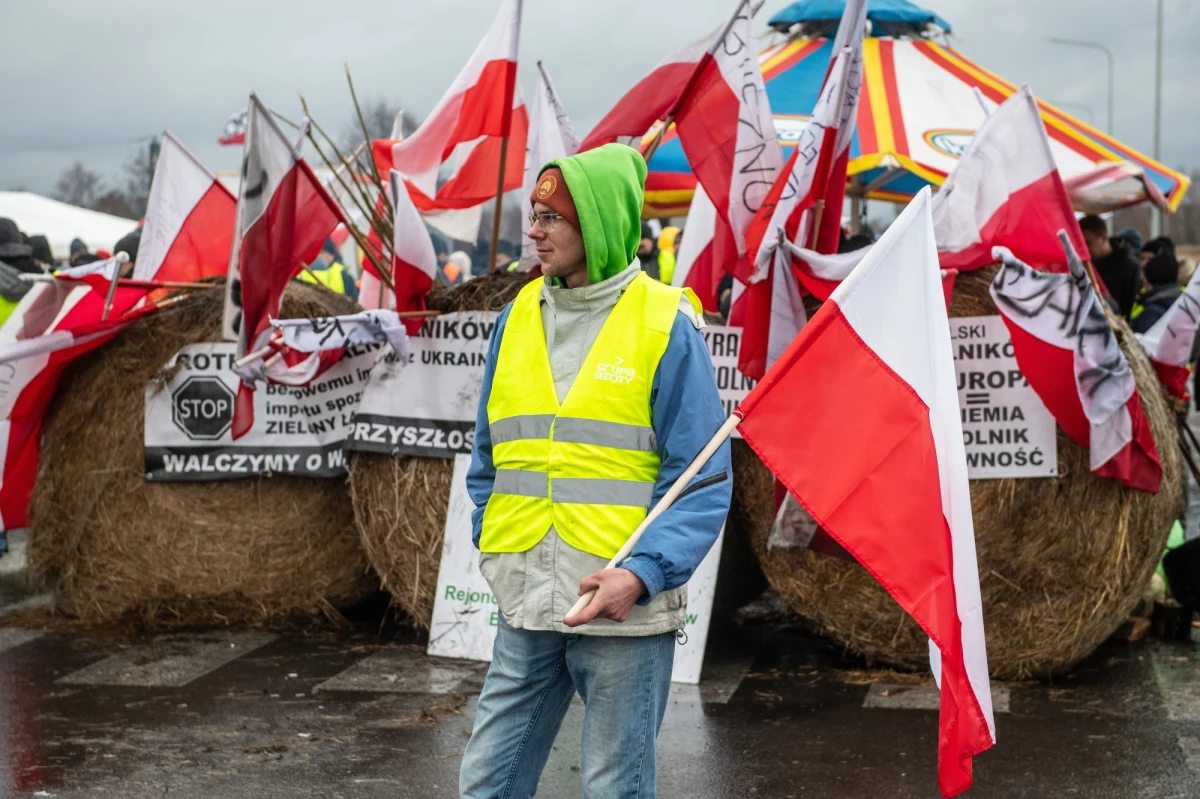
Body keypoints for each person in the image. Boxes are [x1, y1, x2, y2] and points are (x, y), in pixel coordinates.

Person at [459, 143, 731, 799]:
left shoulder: (666, 325)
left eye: (552, 216)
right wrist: (493, 544)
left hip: (624, 614)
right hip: (526, 598)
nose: (535, 229)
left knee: (615, 788)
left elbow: (700, 475)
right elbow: (488, 458)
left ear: (601, 225)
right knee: (485, 785)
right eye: (535, 212)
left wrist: (640, 574)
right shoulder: (515, 317)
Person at [1078, 215, 1142, 318]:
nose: (1085, 249)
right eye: (1081, 244)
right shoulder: (1084, 265)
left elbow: (1129, 304)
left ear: (1103, 237)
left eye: (1088, 243)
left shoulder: (1129, 266)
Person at [1131, 237, 1182, 334]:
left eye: (1149, 259)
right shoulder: (1142, 294)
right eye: (1141, 258)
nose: (1143, 264)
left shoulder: (1151, 313)